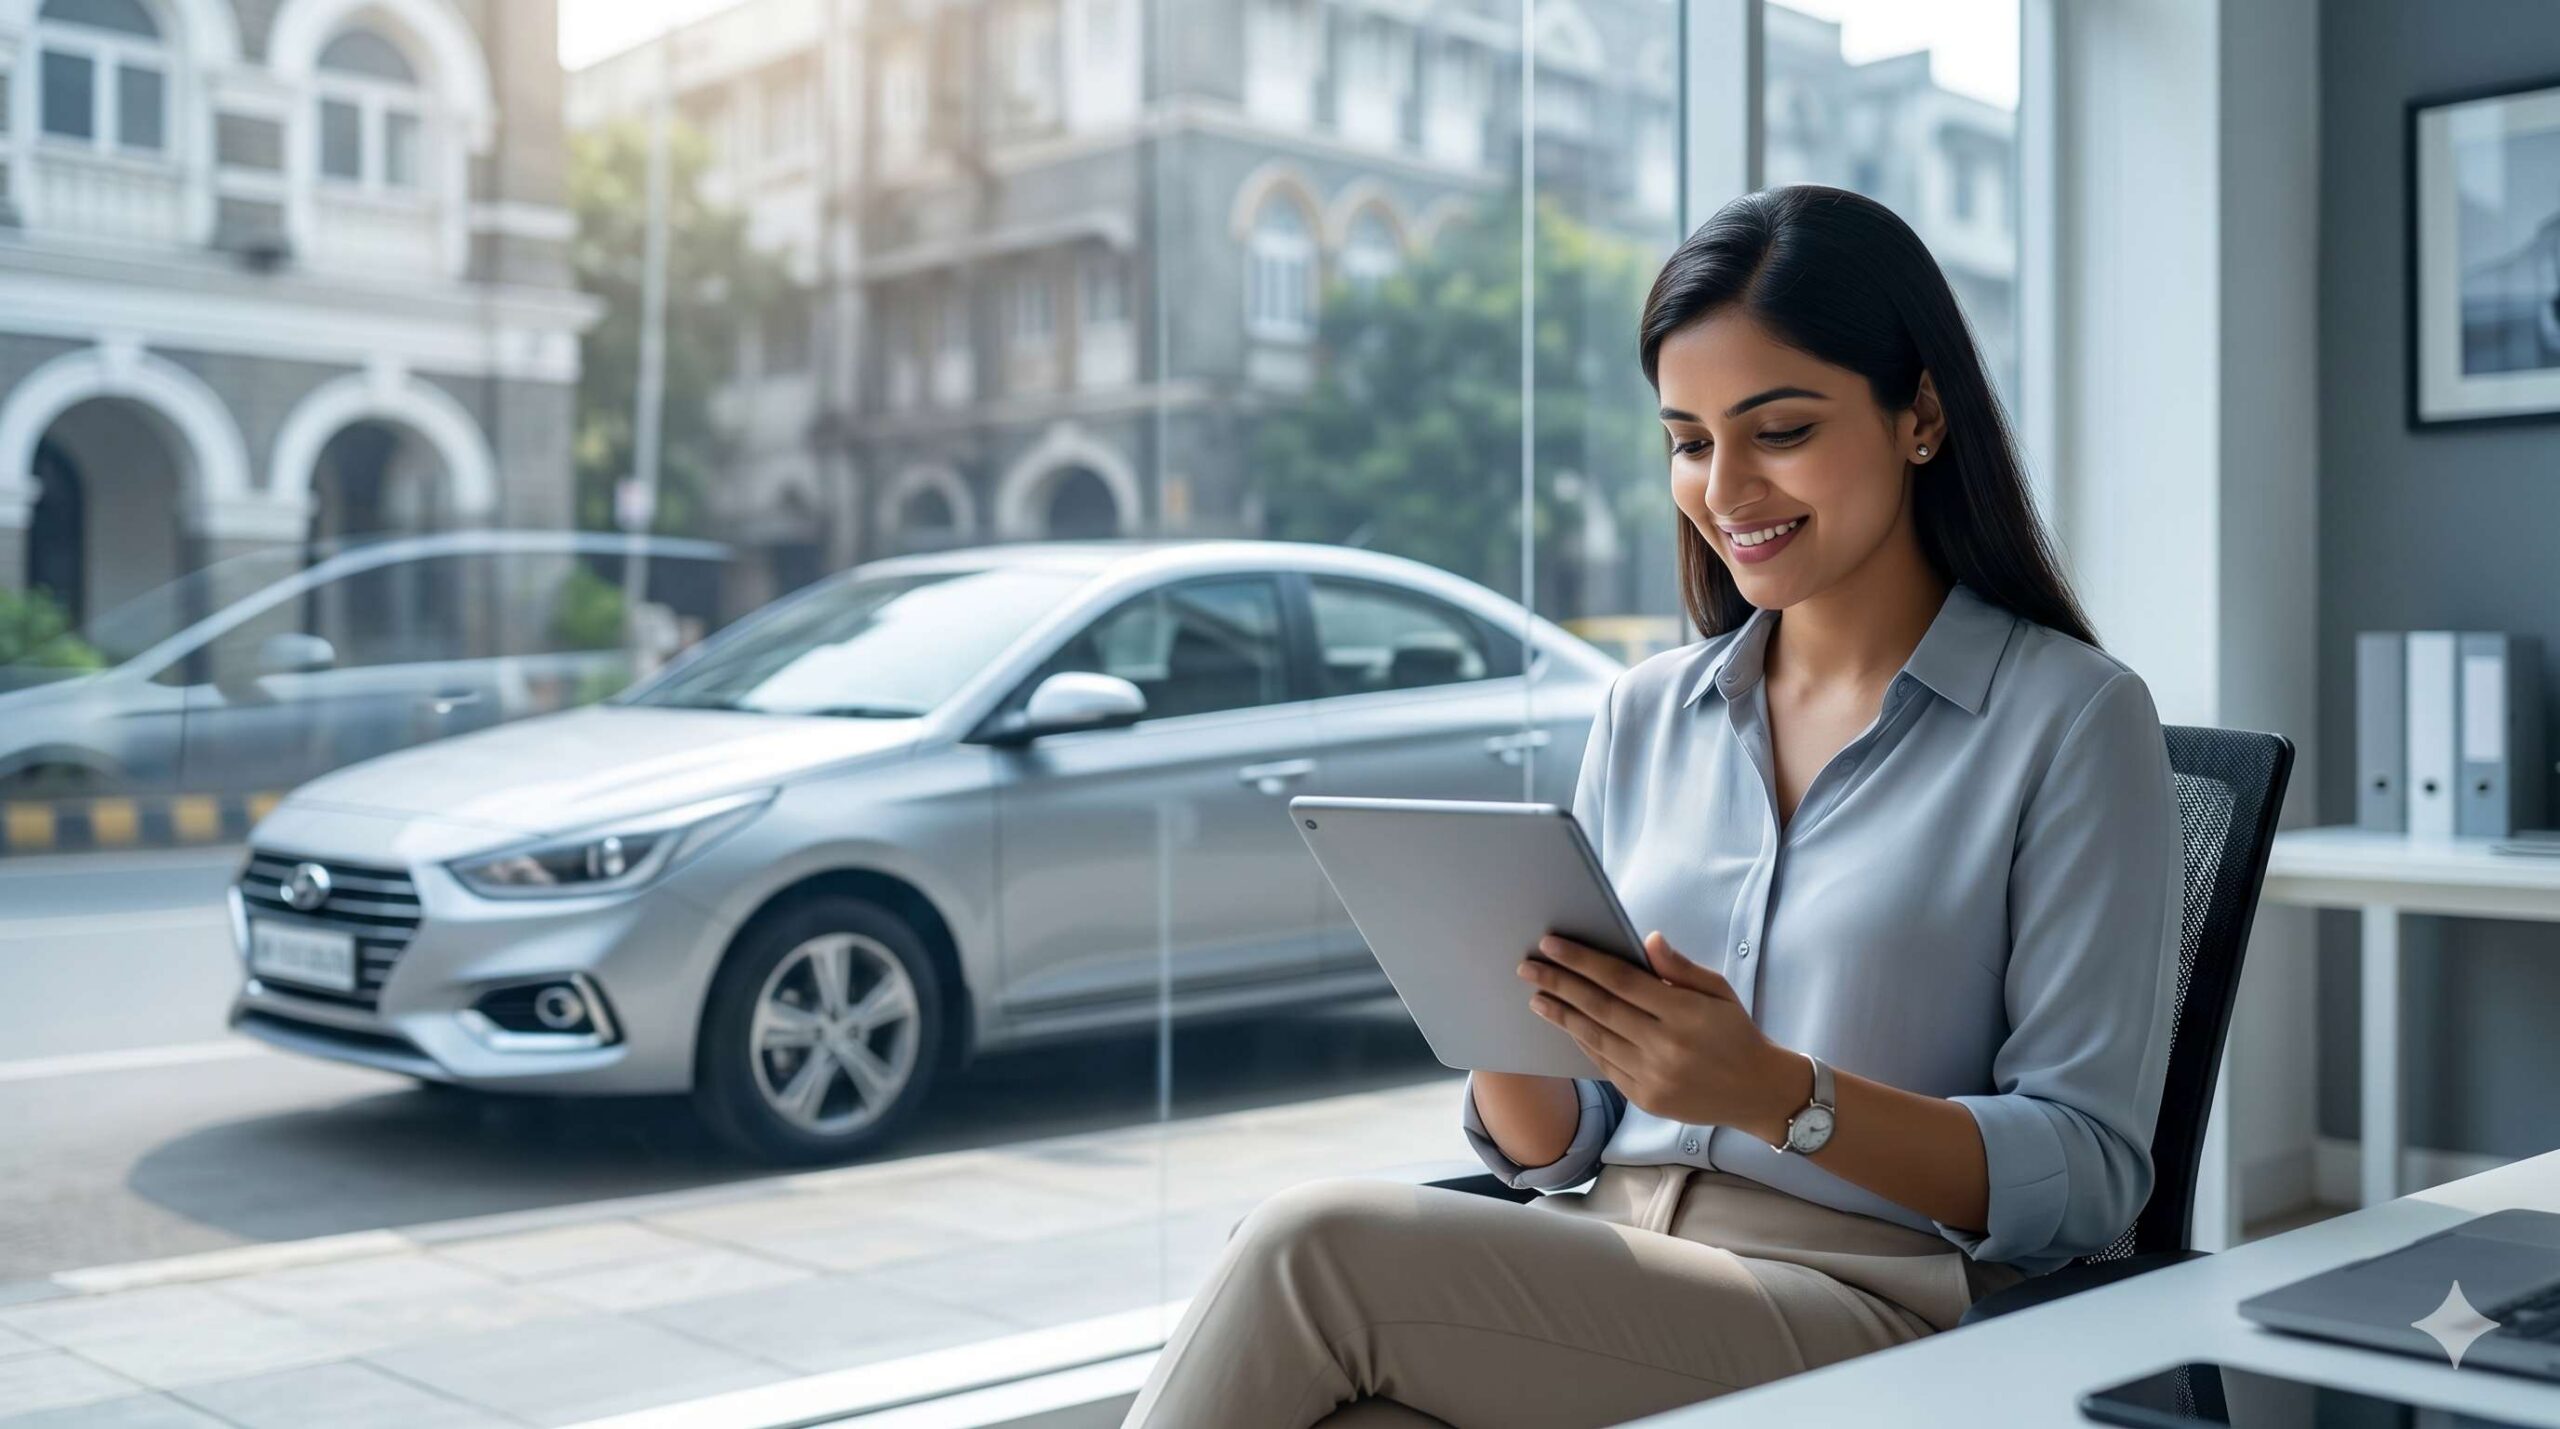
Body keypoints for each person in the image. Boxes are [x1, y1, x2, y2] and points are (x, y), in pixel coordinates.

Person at [1119, 184, 2182, 1429]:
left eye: (1777, 429)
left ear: (1921, 417)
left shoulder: (2070, 719)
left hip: (1874, 1312)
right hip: (1609, 1265)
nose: (1725, 487)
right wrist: (1503, 1020)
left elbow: (2095, 1174)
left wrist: (1779, 1092)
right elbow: (1568, 1142)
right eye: (1687, 440)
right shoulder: (1644, 713)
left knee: (1313, 1249)